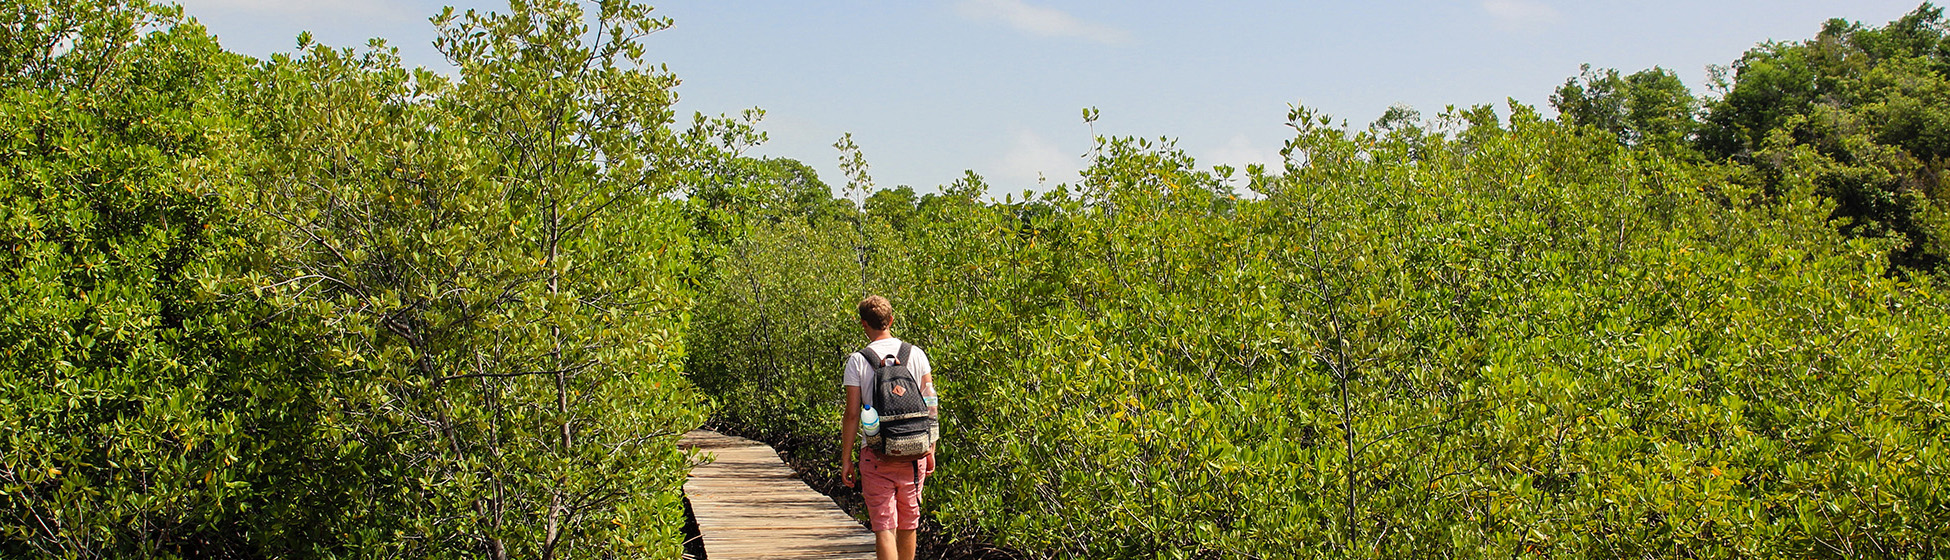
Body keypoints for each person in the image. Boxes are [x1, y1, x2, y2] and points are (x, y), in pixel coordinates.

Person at [839, 295, 937, 560]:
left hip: (875, 452)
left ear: (864, 324)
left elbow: (851, 415)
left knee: (884, 526)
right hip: (915, 450)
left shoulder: (858, 361)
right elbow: (931, 404)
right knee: (909, 523)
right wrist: (931, 449)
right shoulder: (915, 354)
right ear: (891, 320)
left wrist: (846, 459)